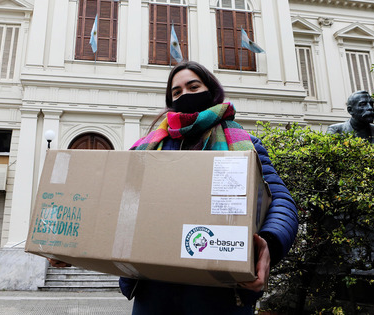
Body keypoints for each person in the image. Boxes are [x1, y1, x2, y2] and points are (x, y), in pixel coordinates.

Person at [118, 61, 298, 315]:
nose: (186, 95)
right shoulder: (149, 147)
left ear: (211, 91)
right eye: (177, 92)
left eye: (193, 86)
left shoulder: (246, 144)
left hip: (221, 291)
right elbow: (117, 199)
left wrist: (267, 243)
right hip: (154, 290)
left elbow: (281, 201)